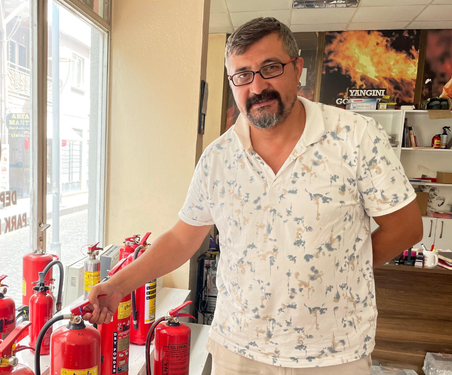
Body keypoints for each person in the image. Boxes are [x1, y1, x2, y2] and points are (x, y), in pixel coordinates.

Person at [85, 17, 422, 374]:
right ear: (232, 83)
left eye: (270, 68)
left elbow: (405, 227)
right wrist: (118, 285)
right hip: (239, 351)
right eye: (242, 75)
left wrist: (340, 269)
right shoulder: (218, 158)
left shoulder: (355, 136)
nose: (257, 86)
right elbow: (184, 238)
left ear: (297, 70)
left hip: (334, 353)